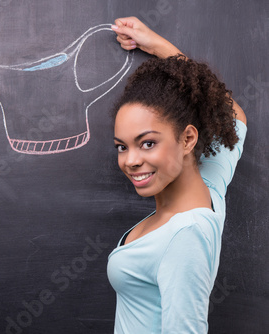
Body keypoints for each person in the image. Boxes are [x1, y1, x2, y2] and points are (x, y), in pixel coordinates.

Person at [106, 17, 247, 333]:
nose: (130, 161)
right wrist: (156, 46)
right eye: (121, 147)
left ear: (187, 139)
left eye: (148, 143)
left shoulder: (185, 236)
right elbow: (234, 116)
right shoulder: (209, 186)